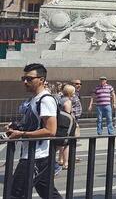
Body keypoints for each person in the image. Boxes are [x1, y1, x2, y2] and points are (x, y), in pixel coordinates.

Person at [6, 63, 63, 199]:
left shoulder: (45, 100)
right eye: (23, 78)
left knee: (15, 194)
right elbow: (35, 125)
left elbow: (50, 130)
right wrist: (17, 127)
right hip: (34, 154)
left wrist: (22, 134)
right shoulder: (34, 100)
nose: (25, 82)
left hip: (36, 156)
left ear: (41, 80)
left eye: (30, 79)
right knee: (48, 193)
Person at [57, 84, 78, 171]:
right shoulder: (68, 101)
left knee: (61, 143)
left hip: (60, 123)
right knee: (66, 143)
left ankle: (60, 159)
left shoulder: (60, 99)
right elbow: (68, 113)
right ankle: (66, 162)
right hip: (66, 124)